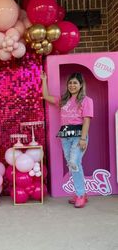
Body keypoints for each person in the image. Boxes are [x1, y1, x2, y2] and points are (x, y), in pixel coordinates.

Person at [41, 71, 94, 208]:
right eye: (70, 83)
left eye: (75, 83)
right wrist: (44, 80)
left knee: (74, 163)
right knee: (74, 165)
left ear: (81, 85)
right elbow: (46, 96)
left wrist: (83, 139)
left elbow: (87, 121)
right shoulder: (63, 100)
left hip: (78, 135)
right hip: (65, 136)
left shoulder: (86, 101)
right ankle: (81, 193)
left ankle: (81, 195)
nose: (72, 85)